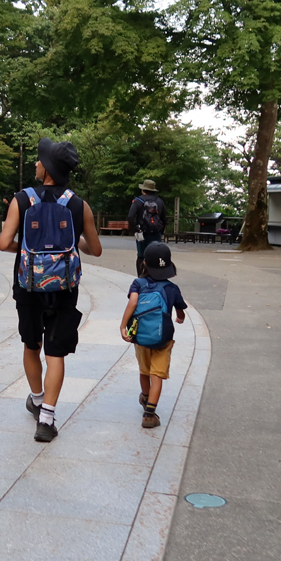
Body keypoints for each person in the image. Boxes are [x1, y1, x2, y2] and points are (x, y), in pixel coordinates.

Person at [0, 138, 102, 442]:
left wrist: (28, 251)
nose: (35, 163)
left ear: (47, 168)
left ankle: (36, 397)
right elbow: (94, 249)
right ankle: (47, 419)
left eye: (38, 159)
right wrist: (70, 245)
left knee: (32, 346)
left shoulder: (22, 199)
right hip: (64, 288)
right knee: (56, 353)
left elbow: (4, 243)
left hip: (28, 286)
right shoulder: (78, 204)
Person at [119, 242, 187, 429]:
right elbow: (180, 311)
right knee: (157, 375)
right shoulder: (172, 288)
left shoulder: (138, 283)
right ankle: (150, 413)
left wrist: (123, 325)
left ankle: (145, 396)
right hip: (163, 340)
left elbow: (133, 303)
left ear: (144, 264)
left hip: (140, 337)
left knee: (144, 371)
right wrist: (180, 318)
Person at [128, 180, 167, 276]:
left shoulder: (137, 201)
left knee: (141, 255)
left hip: (142, 232)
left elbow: (130, 216)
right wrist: (161, 230)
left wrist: (134, 229)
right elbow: (164, 218)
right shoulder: (159, 201)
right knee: (155, 255)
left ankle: (141, 277)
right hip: (156, 232)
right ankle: (153, 276)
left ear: (143, 190)